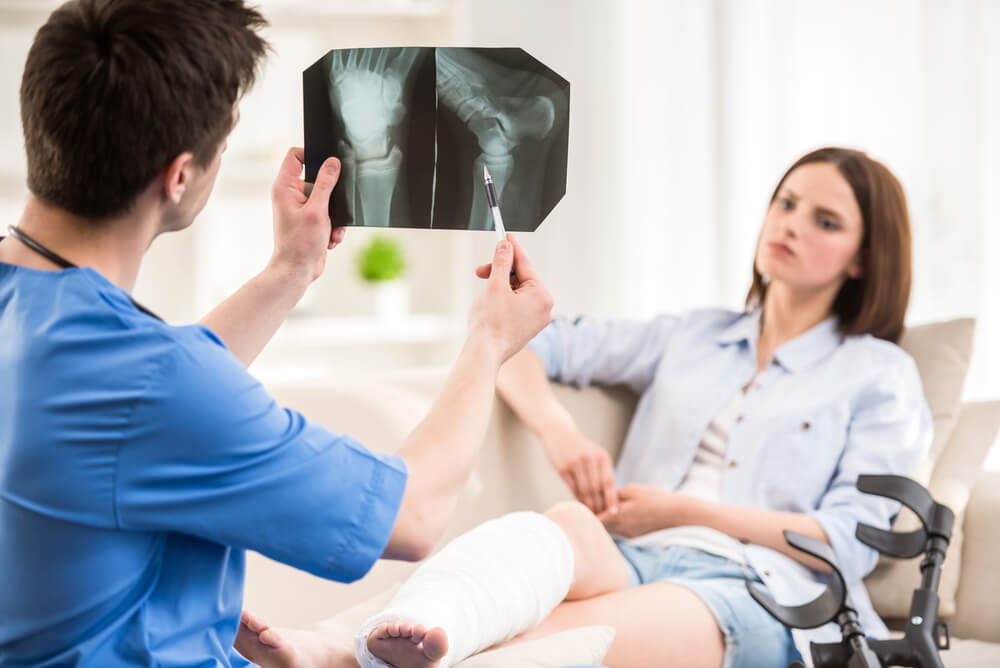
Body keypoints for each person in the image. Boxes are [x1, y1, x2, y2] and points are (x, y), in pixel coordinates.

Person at [0, 2, 553, 667]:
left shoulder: (63, 329)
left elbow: (121, 398)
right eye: (223, 144)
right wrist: (489, 342)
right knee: (568, 560)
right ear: (179, 176)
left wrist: (289, 271)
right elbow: (415, 515)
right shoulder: (151, 386)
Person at [235, 146, 933, 668]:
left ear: (863, 260)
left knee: (526, 640)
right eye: (786, 202)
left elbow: (845, 543)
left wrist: (684, 511)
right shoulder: (693, 338)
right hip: (628, 551)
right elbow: (532, 343)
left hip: (765, 591)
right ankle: (329, 642)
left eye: (825, 220)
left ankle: (348, 657)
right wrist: (558, 430)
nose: (790, 224)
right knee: (559, 523)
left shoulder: (879, 376)